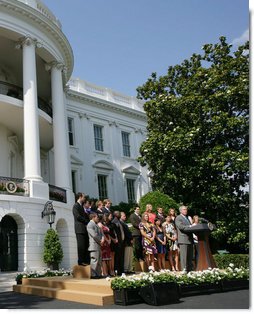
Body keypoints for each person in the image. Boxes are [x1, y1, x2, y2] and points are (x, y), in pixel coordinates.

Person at [72, 192, 90, 266]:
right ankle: (81, 261)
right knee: (81, 246)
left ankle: (85, 261)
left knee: (85, 245)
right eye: (84, 197)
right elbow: (78, 216)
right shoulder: (75, 206)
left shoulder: (81, 206)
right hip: (79, 229)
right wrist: (87, 222)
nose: (84, 198)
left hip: (84, 229)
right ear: (80, 197)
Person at [175, 205, 194, 272]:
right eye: (184, 209)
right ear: (180, 211)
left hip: (190, 239)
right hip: (183, 239)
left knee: (190, 256)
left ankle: (190, 270)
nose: (186, 210)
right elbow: (181, 227)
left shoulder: (187, 218)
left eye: (186, 209)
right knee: (184, 257)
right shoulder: (178, 218)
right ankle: (184, 270)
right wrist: (190, 226)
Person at [87, 213, 104, 279]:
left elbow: (101, 233)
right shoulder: (90, 224)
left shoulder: (96, 225)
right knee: (94, 260)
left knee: (99, 260)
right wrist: (100, 241)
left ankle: (98, 274)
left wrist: (102, 239)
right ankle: (93, 274)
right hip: (94, 245)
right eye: (97, 217)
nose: (98, 218)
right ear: (93, 217)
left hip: (98, 244)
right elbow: (94, 235)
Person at [105, 212, 118, 276]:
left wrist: (116, 238)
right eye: (110, 216)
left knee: (113, 256)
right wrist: (113, 239)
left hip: (114, 241)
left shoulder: (113, 224)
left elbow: (115, 232)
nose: (111, 217)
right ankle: (110, 270)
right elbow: (107, 234)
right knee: (109, 256)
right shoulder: (105, 224)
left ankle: (112, 270)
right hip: (109, 241)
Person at [112, 211, 125, 275]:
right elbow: (115, 232)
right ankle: (117, 270)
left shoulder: (119, 221)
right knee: (117, 257)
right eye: (119, 213)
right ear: (115, 214)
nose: (120, 214)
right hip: (117, 242)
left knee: (121, 257)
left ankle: (121, 270)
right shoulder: (114, 221)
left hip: (121, 241)